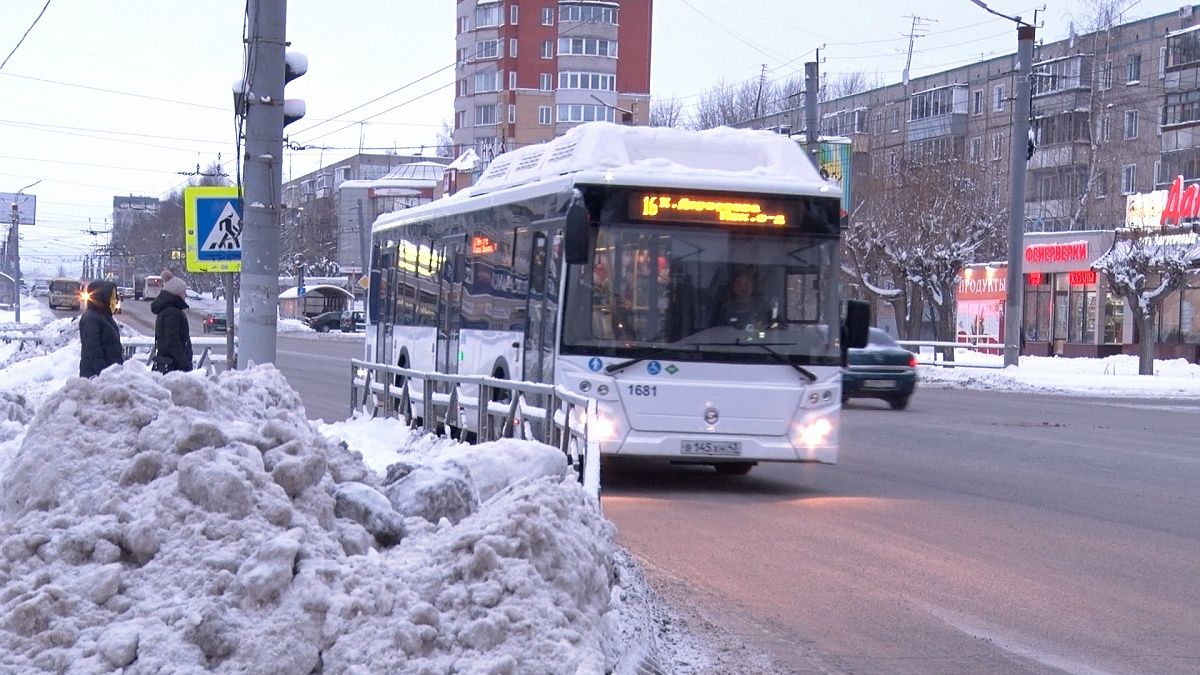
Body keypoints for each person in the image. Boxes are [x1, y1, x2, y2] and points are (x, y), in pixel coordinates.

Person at [79, 280, 124, 378]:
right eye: (112, 298)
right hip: (95, 377)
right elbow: (93, 350)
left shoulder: (104, 316)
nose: (115, 301)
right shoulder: (91, 318)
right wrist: (103, 374)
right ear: (102, 298)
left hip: (108, 375)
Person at [151, 276, 194, 373]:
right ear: (176, 293)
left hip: (168, 364)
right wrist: (185, 364)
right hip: (174, 366)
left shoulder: (167, 310)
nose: (185, 295)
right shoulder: (172, 313)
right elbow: (173, 342)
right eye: (183, 292)